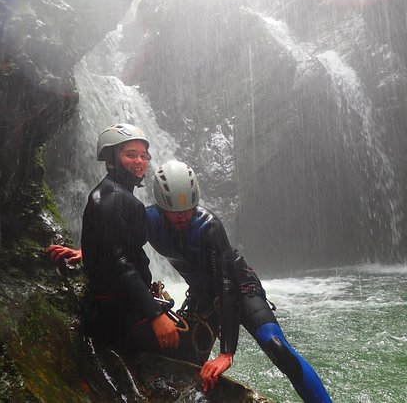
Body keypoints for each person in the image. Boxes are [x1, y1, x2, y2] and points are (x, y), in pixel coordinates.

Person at [51, 160, 332, 402]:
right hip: (202, 296)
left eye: (187, 208)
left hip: (239, 287)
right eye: (173, 210)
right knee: (182, 361)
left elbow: (226, 286)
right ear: (160, 205)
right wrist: (86, 251)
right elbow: (119, 244)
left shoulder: (209, 226)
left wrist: (227, 353)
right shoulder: (147, 219)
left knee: (276, 346)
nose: (182, 216)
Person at [52, 123, 179, 353]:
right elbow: (121, 264)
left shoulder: (107, 192)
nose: (140, 161)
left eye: (144, 156)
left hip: (115, 305)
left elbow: (110, 245)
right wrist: (155, 315)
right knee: (181, 350)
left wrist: (87, 252)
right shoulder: (117, 199)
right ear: (112, 158)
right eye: (131, 155)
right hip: (122, 315)